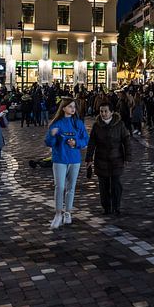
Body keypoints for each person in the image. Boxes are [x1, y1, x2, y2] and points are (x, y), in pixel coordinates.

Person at [45, 98, 89, 229]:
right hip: (60, 159)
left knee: (71, 188)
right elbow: (48, 142)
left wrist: (76, 143)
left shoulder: (78, 123)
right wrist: (52, 136)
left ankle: (68, 212)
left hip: (75, 159)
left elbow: (85, 139)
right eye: (70, 106)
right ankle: (58, 213)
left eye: (74, 106)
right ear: (63, 108)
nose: (73, 109)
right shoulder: (57, 123)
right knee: (60, 186)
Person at [85, 103, 131, 216]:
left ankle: (116, 206)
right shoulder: (96, 126)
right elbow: (92, 143)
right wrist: (89, 158)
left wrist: (127, 157)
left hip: (116, 159)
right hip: (101, 159)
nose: (103, 113)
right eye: (101, 111)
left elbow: (126, 141)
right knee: (103, 186)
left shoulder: (119, 124)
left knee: (116, 185)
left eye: (105, 111)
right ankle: (106, 207)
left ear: (111, 112)